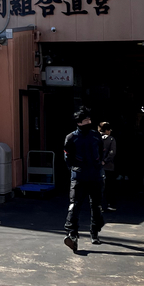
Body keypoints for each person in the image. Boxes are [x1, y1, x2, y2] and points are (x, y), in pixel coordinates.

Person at [63, 106, 105, 251]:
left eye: (89, 119)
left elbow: (101, 151)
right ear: (79, 122)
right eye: (86, 120)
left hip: (95, 175)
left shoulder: (95, 135)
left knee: (97, 206)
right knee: (74, 205)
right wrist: (74, 168)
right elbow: (67, 157)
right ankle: (72, 234)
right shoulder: (71, 138)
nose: (89, 121)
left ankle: (95, 233)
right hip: (79, 176)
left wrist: (100, 163)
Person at [99, 122, 117, 211]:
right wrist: (105, 160)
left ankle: (99, 205)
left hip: (97, 166)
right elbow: (112, 153)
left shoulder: (96, 138)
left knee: (99, 186)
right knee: (109, 186)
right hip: (108, 166)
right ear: (107, 130)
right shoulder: (111, 139)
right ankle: (110, 204)